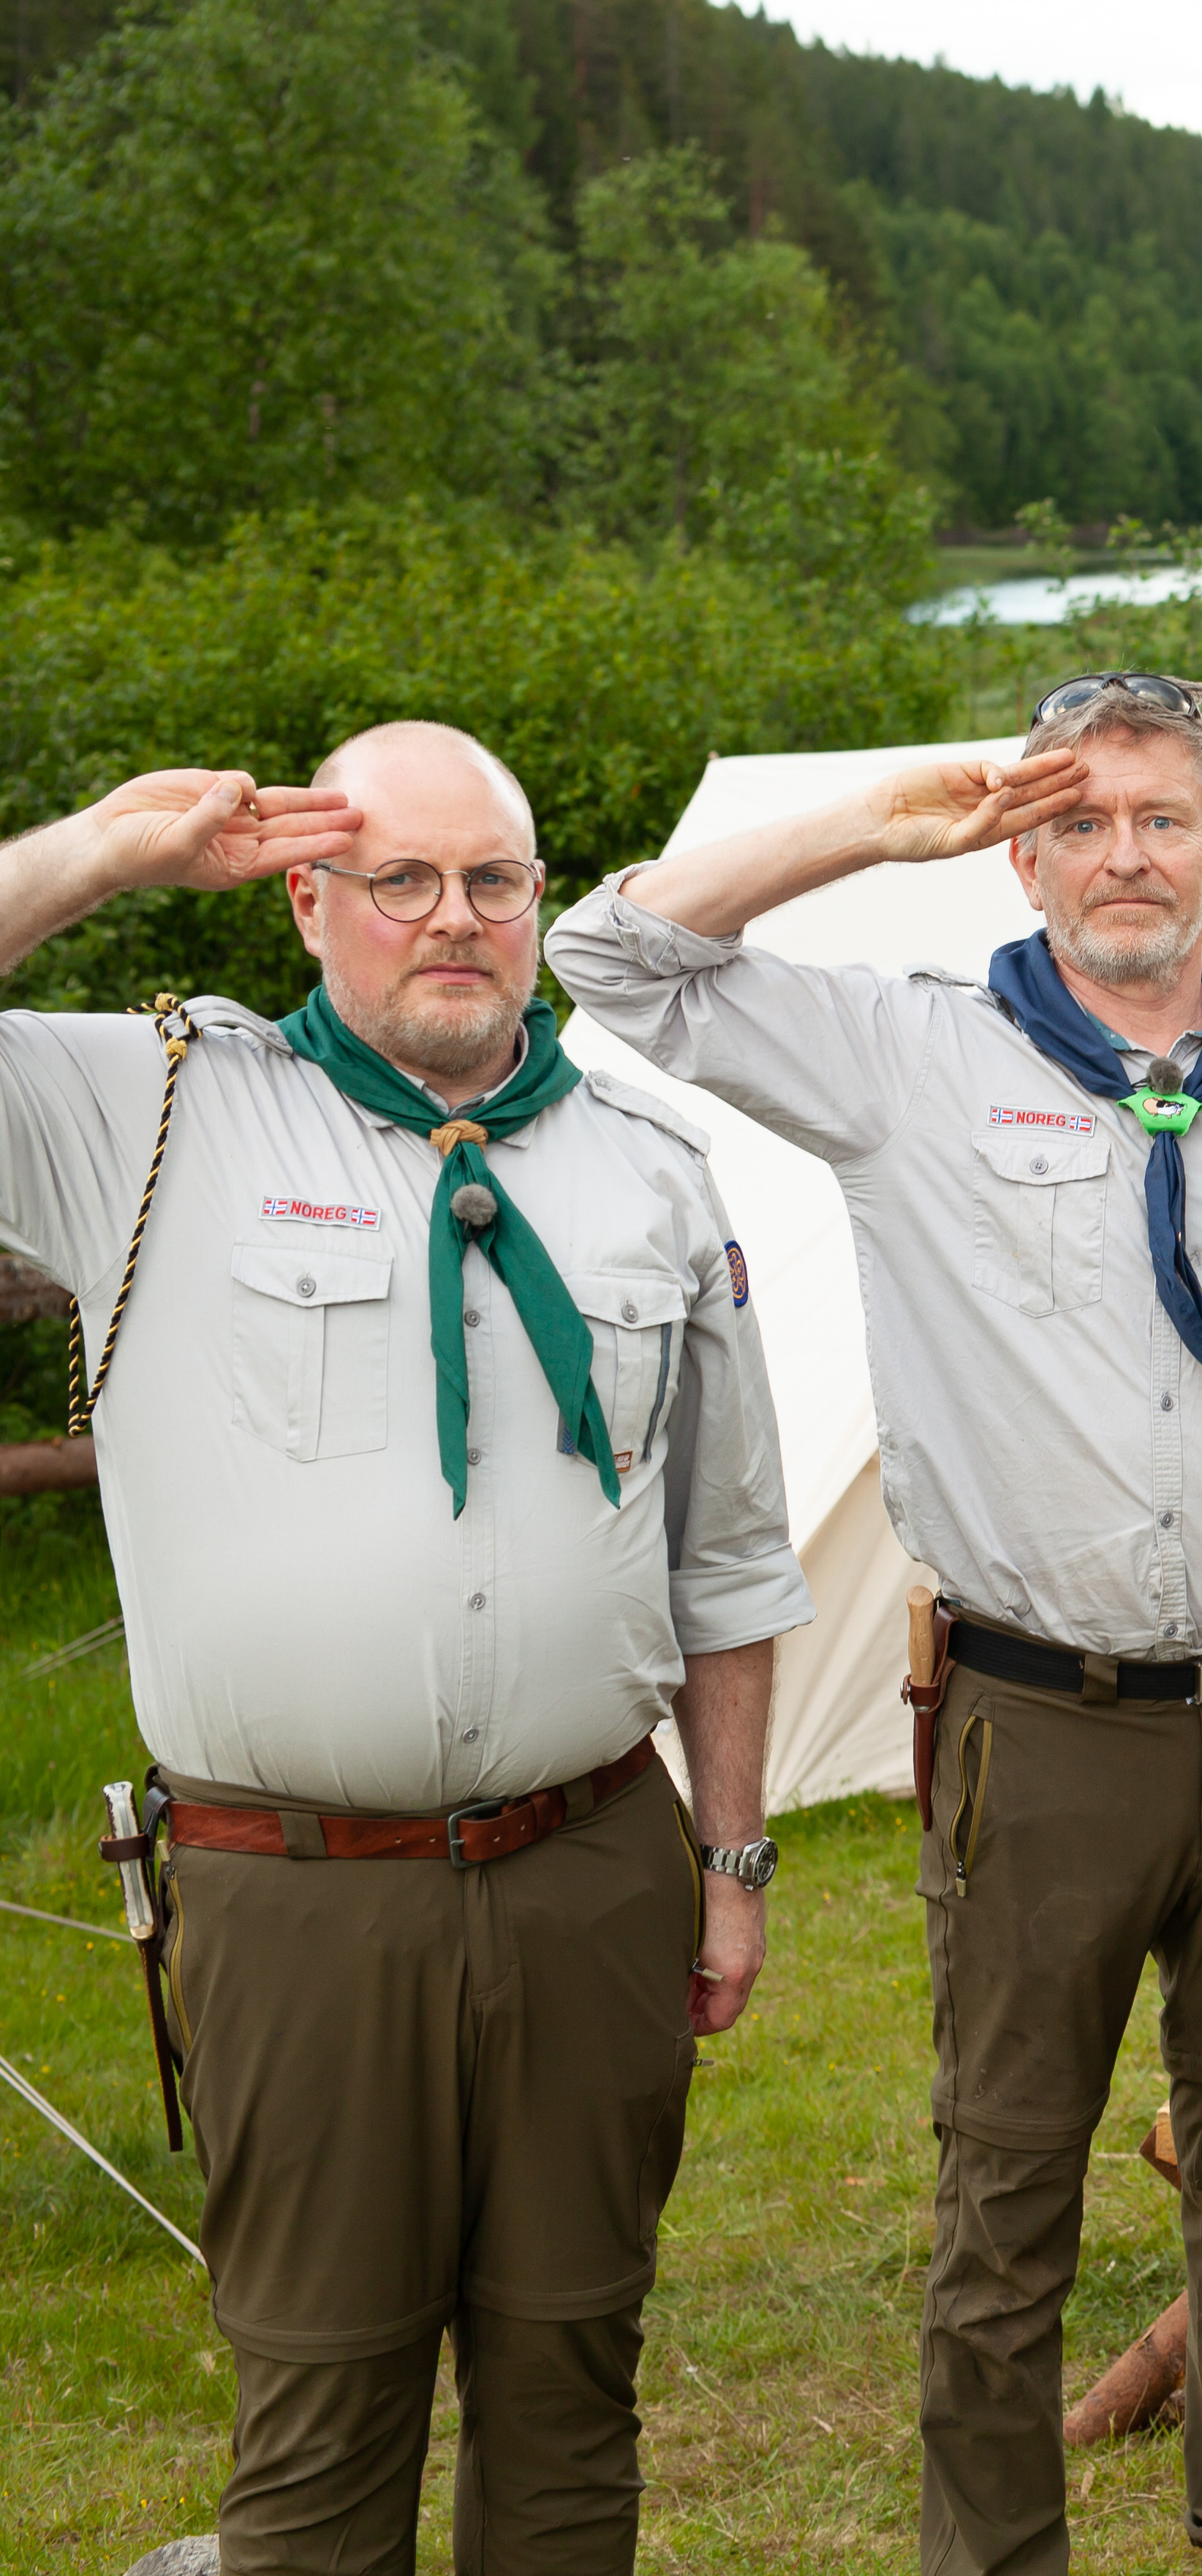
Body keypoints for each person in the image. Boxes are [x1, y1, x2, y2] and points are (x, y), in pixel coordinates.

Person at [546, 673, 1202, 2576]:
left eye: (1158, 819)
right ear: (1026, 854)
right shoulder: (909, 1060)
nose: (1122, 855)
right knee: (1009, 2201)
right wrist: (877, 825)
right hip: (1039, 1730)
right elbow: (611, 960)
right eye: (1079, 821)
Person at [0, 727, 808, 2573]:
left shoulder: (647, 1170)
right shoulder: (161, 1103)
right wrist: (108, 857)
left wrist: (737, 1859)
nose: (454, 920)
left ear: (540, 905)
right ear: (306, 896)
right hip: (300, 1892)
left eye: (494, 880)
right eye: (401, 880)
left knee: (569, 2396)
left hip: (596, 1867)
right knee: (321, 2420)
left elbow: (733, 1558)